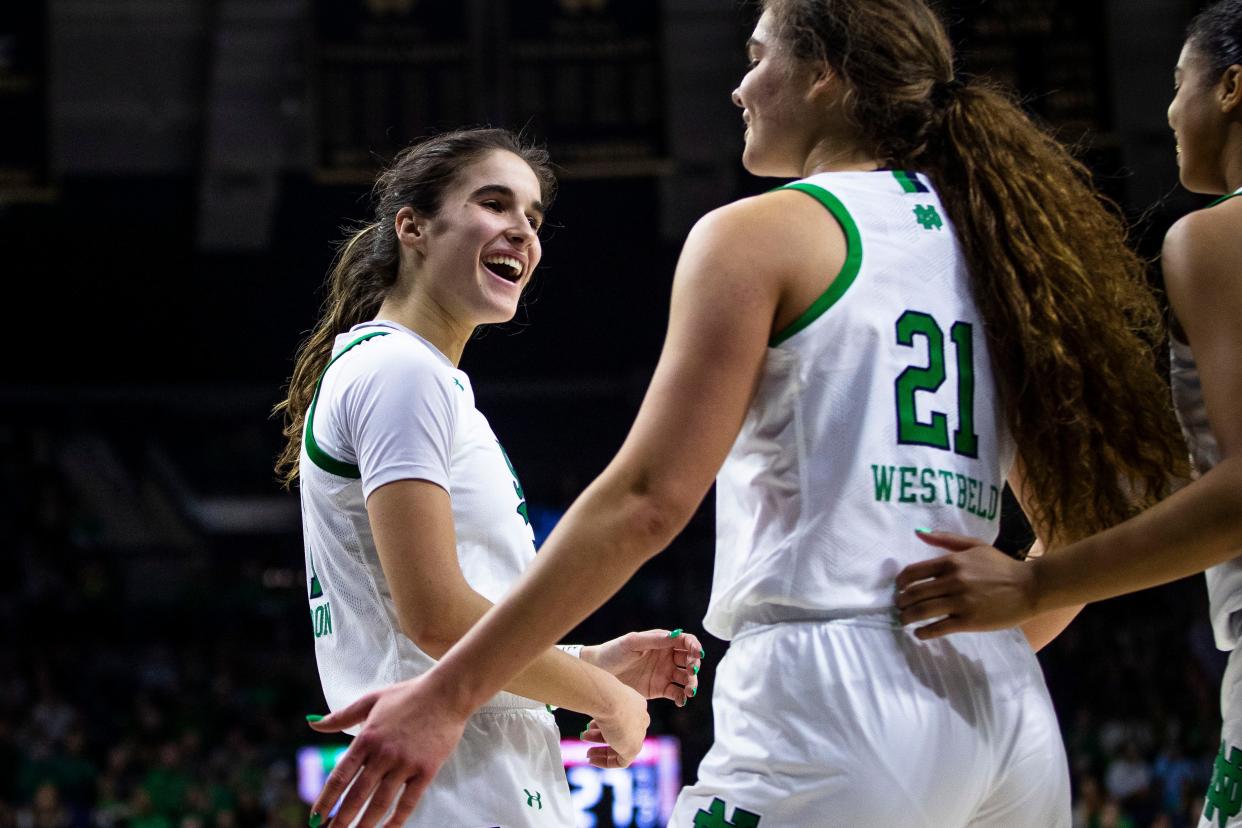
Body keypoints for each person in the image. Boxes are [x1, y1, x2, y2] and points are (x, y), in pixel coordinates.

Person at [303, 2, 1193, 825]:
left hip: (832, 692)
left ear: (824, 77)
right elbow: (1080, 524)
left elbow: (648, 499)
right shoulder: (996, 245)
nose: (738, 85)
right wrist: (997, 633)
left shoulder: (762, 231)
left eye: (758, 56)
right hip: (1005, 703)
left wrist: (451, 693)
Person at [272, 127, 703, 827]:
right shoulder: (400, 371)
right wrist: (601, 693)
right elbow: (436, 618)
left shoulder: (411, 374)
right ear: (412, 226)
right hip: (455, 784)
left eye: (532, 219)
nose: (522, 233)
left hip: (471, 777)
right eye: (495, 204)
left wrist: (583, 656)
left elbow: (435, 625)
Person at [891, 0, 1242, 821]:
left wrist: (1034, 580)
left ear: (1232, 87)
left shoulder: (1213, 237)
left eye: (1180, 81)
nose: (1167, 109)